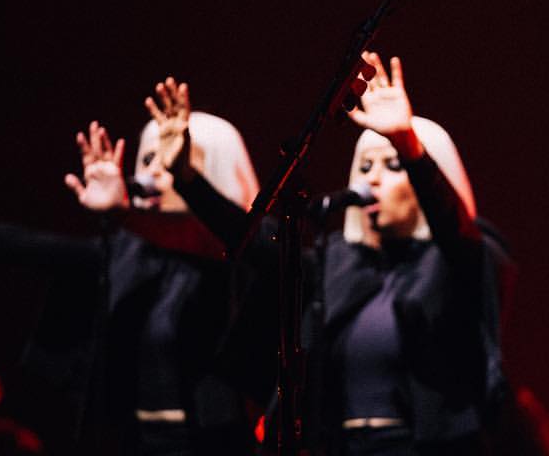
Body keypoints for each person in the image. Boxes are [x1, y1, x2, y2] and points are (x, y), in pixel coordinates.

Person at [181, 52, 517, 456]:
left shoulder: (456, 258)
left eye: (392, 165)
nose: (372, 178)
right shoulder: (340, 260)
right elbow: (263, 246)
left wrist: (408, 146)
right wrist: (186, 179)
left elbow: (456, 230)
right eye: (365, 166)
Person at [0, 78, 262, 455]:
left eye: (174, 158)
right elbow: (35, 248)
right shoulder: (128, 251)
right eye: (148, 159)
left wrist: (126, 213)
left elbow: (218, 240)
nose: (154, 172)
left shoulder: (237, 257)